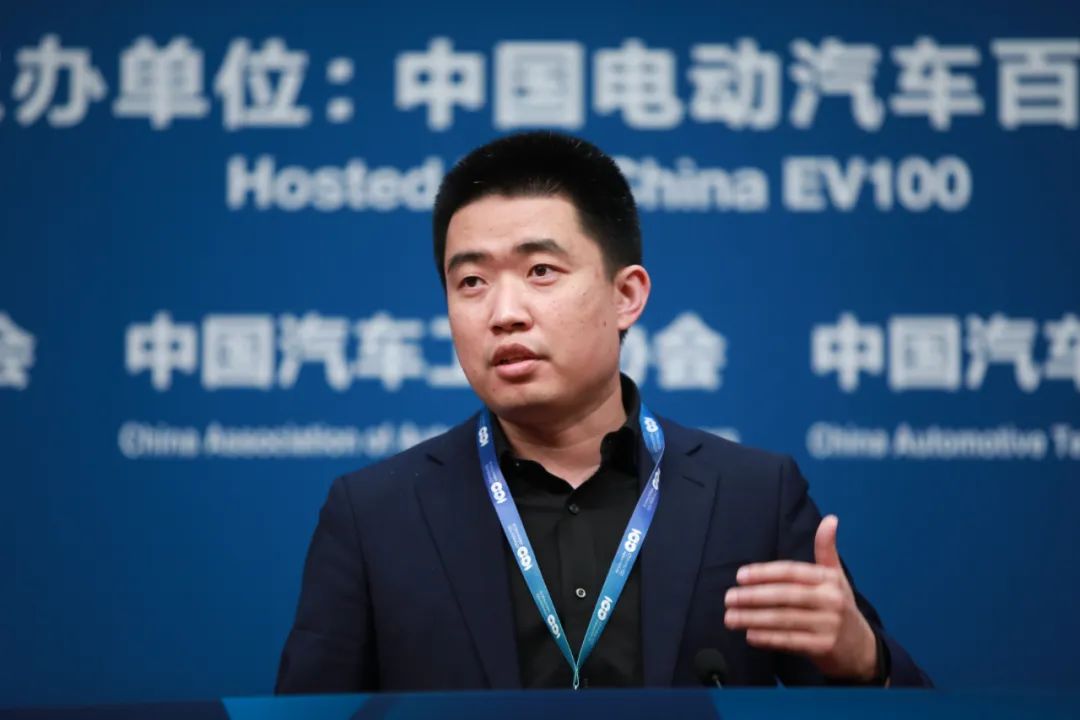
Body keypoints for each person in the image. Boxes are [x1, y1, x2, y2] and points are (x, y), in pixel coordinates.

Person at [275, 132, 932, 692]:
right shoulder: (375, 515)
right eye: (471, 281)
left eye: (540, 271)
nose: (504, 313)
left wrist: (863, 660)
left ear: (627, 296)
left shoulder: (753, 498)